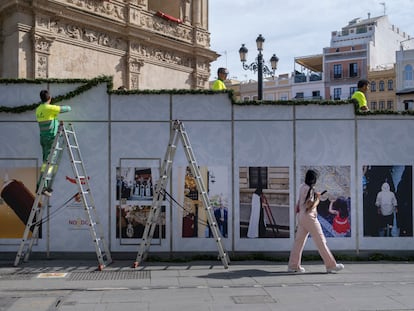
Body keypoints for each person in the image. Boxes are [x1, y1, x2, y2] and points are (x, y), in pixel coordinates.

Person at [288, 169, 344, 273]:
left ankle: (293, 266)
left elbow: (301, 202)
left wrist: (314, 196)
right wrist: (317, 198)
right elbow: (309, 205)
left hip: (301, 217)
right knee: (320, 240)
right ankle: (331, 265)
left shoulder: (302, 186)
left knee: (299, 242)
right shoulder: (310, 189)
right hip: (310, 217)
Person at [35, 89, 71, 196]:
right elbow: (68, 108)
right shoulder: (49, 108)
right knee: (49, 163)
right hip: (51, 139)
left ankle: (41, 185)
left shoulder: (38, 109)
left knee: (45, 162)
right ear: (49, 98)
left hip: (43, 138)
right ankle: (42, 186)